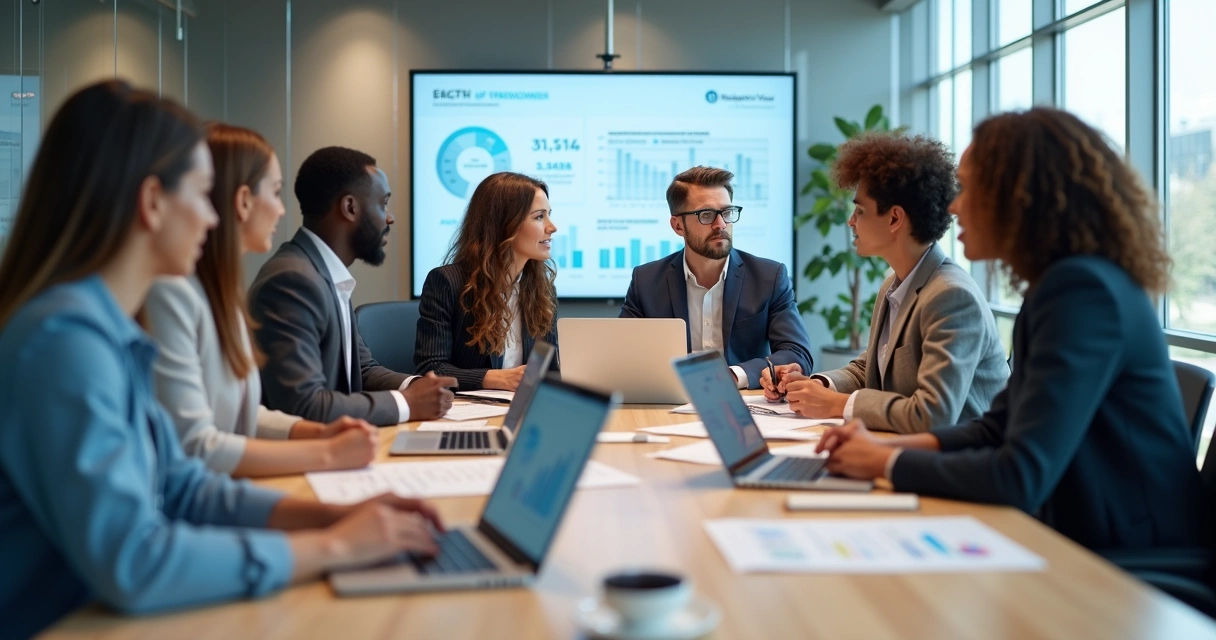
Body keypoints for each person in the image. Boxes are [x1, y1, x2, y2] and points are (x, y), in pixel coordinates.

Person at [0, 81, 441, 639]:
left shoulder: (108, 331)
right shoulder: (64, 342)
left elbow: (185, 486)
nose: (213, 219)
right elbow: (136, 562)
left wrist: (335, 517)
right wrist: (335, 546)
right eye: (202, 194)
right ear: (154, 202)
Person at [815, 107, 1210, 552]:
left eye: (970, 188)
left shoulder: (1082, 292)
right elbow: (995, 428)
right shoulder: (1063, 286)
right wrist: (883, 450)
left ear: (1020, 196)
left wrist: (888, 463)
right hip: (1089, 532)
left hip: (1129, 561)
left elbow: (1019, 475)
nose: (952, 206)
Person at [144, 123, 378, 477]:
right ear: (242, 200)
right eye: (275, 192)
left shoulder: (221, 294)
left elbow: (238, 412)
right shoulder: (173, 293)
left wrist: (314, 433)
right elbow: (195, 445)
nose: (282, 211)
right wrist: (326, 453)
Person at [761, 133, 1008, 433]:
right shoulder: (894, 284)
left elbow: (933, 415)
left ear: (894, 219)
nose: (851, 221)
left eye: (860, 210)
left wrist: (838, 405)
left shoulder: (950, 296)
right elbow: (869, 369)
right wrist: (814, 385)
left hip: (953, 468)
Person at [249, 146, 455, 426]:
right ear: (350, 208)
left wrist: (418, 387)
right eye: (383, 204)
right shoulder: (292, 281)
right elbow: (303, 405)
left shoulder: (323, 272)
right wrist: (407, 403)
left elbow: (363, 369)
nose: (390, 217)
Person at [620, 166, 813, 389]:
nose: (721, 224)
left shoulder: (769, 278)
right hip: (670, 402)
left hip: (744, 404)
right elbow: (623, 354)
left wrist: (733, 375)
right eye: (706, 215)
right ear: (677, 226)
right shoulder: (647, 281)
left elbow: (797, 354)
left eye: (727, 212)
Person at [415, 172, 559, 391]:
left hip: (523, 408)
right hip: (466, 411)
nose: (552, 227)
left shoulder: (543, 289)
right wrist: (496, 378)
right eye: (539, 217)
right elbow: (430, 367)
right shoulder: (447, 282)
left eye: (548, 215)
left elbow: (548, 370)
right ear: (505, 223)